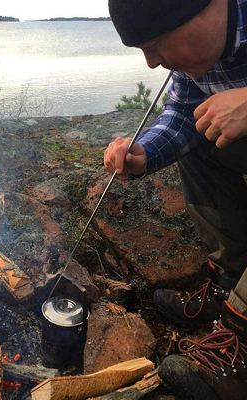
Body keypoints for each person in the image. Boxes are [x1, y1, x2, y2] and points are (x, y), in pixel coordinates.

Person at [105, 0, 247, 398]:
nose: (152, 63)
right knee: (201, 135)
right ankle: (232, 285)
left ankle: (242, 338)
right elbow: (184, 112)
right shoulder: (197, 60)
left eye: (157, 43)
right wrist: (144, 153)